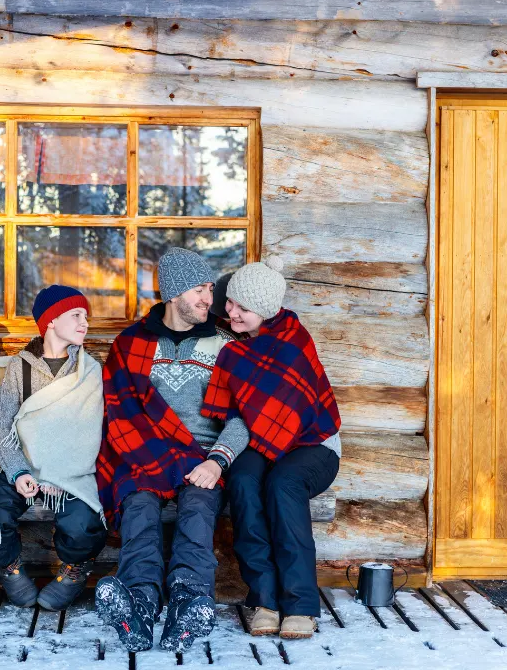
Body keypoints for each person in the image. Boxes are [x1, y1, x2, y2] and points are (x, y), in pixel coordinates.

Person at [94, 247, 250, 653]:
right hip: (144, 451)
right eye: (200, 289)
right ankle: (141, 602)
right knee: (140, 506)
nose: (209, 298)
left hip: (202, 455)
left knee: (198, 507)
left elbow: (243, 416)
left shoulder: (225, 345)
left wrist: (218, 462)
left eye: (210, 289)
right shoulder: (131, 344)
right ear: (175, 292)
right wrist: (145, 457)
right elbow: (119, 411)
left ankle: (188, 599)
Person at [201, 262, 342, 639]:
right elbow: (242, 414)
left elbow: (298, 412)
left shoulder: (294, 341)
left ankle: (300, 604)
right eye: (229, 304)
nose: (231, 312)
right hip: (258, 439)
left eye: (241, 309)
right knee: (244, 480)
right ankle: (264, 599)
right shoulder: (235, 349)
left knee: (282, 484)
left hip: (314, 442)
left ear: (264, 311)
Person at [0, 285, 107, 611]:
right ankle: (9, 568)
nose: (85, 322)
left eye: (86, 316)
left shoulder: (89, 370)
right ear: (51, 321)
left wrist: (59, 471)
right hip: (23, 464)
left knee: (83, 523)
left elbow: (88, 430)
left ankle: (75, 569)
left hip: (69, 470)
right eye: (76, 315)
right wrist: (18, 472)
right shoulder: (21, 367)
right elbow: (2, 426)